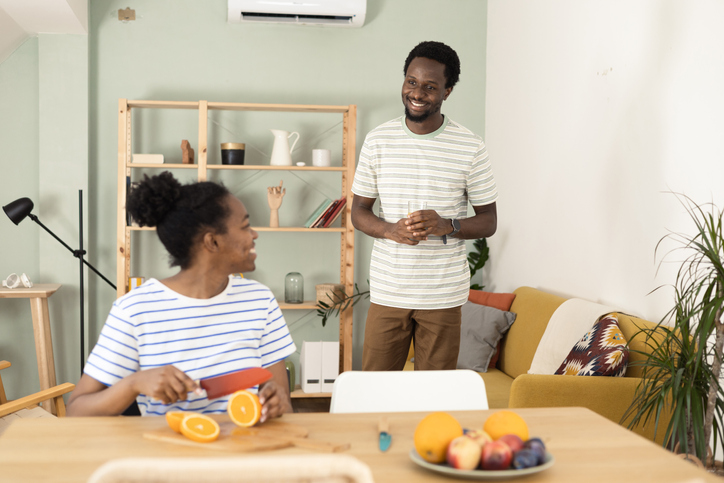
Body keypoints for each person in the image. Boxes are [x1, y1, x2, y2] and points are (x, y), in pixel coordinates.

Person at [67, 172, 295, 421]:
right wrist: (133, 384)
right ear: (212, 242)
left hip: (246, 450)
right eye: (245, 226)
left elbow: (279, 397)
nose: (254, 235)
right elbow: (76, 411)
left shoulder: (260, 300)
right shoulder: (134, 310)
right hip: (166, 453)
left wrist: (276, 400)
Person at [351, 40, 498, 371]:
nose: (417, 93)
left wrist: (448, 224)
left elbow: (488, 221)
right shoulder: (378, 140)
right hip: (389, 293)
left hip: (443, 297)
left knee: (434, 397)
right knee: (376, 389)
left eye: (430, 87)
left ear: (447, 91)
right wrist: (390, 230)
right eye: (412, 82)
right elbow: (358, 212)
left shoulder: (470, 146)